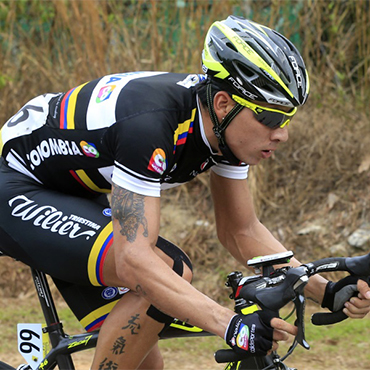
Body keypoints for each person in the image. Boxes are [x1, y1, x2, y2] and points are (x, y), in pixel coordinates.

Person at [0, 15, 369, 370]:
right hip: (15, 186)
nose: (282, 133)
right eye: (270, 118)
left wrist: (326, 289)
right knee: (165, 269)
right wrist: (230, 324)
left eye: (287, 118)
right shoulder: (150, 125)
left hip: (69, 191)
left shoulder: (223, 131)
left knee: (142, 360)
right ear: (224, 102)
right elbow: (134, 259)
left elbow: (240, 232)